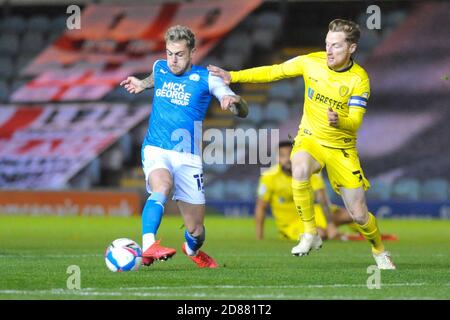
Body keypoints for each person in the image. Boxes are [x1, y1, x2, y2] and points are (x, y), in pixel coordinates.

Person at [208, 19, 396, 269]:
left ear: (351, 48)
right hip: (311, 138)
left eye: (337, 46)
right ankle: (310, 233)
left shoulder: (358, 79)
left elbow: (355, 122)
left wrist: (340, 120)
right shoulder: (311, 62)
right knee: (298, 167)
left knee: (359, 214)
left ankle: (379, 250)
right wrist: (234, 76)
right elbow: (274, 71)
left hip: (341, 148)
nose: (329, 51)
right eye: (327, 44)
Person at [120, 25, 248, 268]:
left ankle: (191, 247)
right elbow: (155, 78)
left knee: (197, 229)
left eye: (179, 54)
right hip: (156, 148)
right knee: (162, 186)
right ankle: (148, 245)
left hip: (188, 158)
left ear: (192, 53)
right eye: (169, 53)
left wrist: (233, 100)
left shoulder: (206, 78)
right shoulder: (160, 67)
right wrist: (141, 84)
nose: (173, 60)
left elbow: (239, 108)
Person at [256, 140, 398, 242]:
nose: (287, 159)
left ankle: (369, 235)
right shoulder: (269, 178)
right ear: (277, 158)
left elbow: (322, 199)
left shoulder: (308, 171)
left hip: (315, 212)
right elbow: (261, 207)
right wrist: (259, 237)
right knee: (320, 234)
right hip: (291, 224)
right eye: (282, 155)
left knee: (353, 214)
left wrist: (330, 223)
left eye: (290, 154)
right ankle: (343, 237)